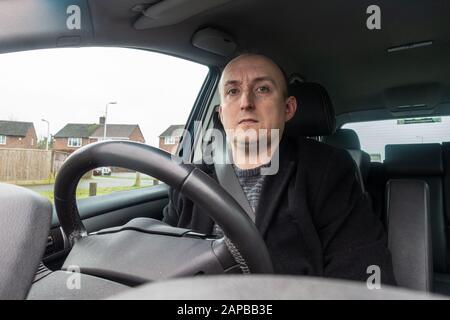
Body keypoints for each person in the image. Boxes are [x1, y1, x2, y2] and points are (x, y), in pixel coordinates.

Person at [163, 53, 396, 285]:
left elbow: (361, 272)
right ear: (221, 114)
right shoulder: (189, 179)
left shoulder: (327, 171)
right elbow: (162, 262)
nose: (246, 102)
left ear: (288, 108)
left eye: (262, 89)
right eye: (233, 91)